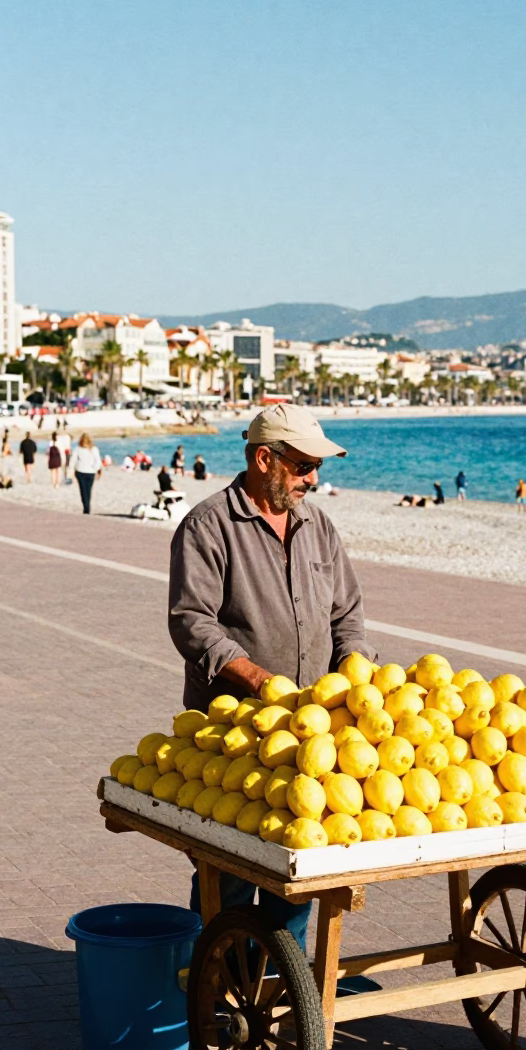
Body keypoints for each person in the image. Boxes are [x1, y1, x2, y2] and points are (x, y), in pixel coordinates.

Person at [169, 404, 377, 952]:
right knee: (230, 876)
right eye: (305, 466)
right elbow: (191, 621)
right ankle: (215, 993)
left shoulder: (318, 526)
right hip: (236, 737)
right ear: (265, 459)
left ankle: (283, 995)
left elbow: (347, 614)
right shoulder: (208, 526)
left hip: (312, 736)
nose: (314, 479)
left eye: (317, 467)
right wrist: (259, 679)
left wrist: (357, 666)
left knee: (297, 880)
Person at [70, 432, 102, 514]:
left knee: (83, 490)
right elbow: (98, 461)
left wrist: (72, 469)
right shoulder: (94, 449)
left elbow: (73, 460)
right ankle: (87, 506)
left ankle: (86, 507)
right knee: (89, 490)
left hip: (80, 471)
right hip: (90, 472)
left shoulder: (78, 449)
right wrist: (95, 469)